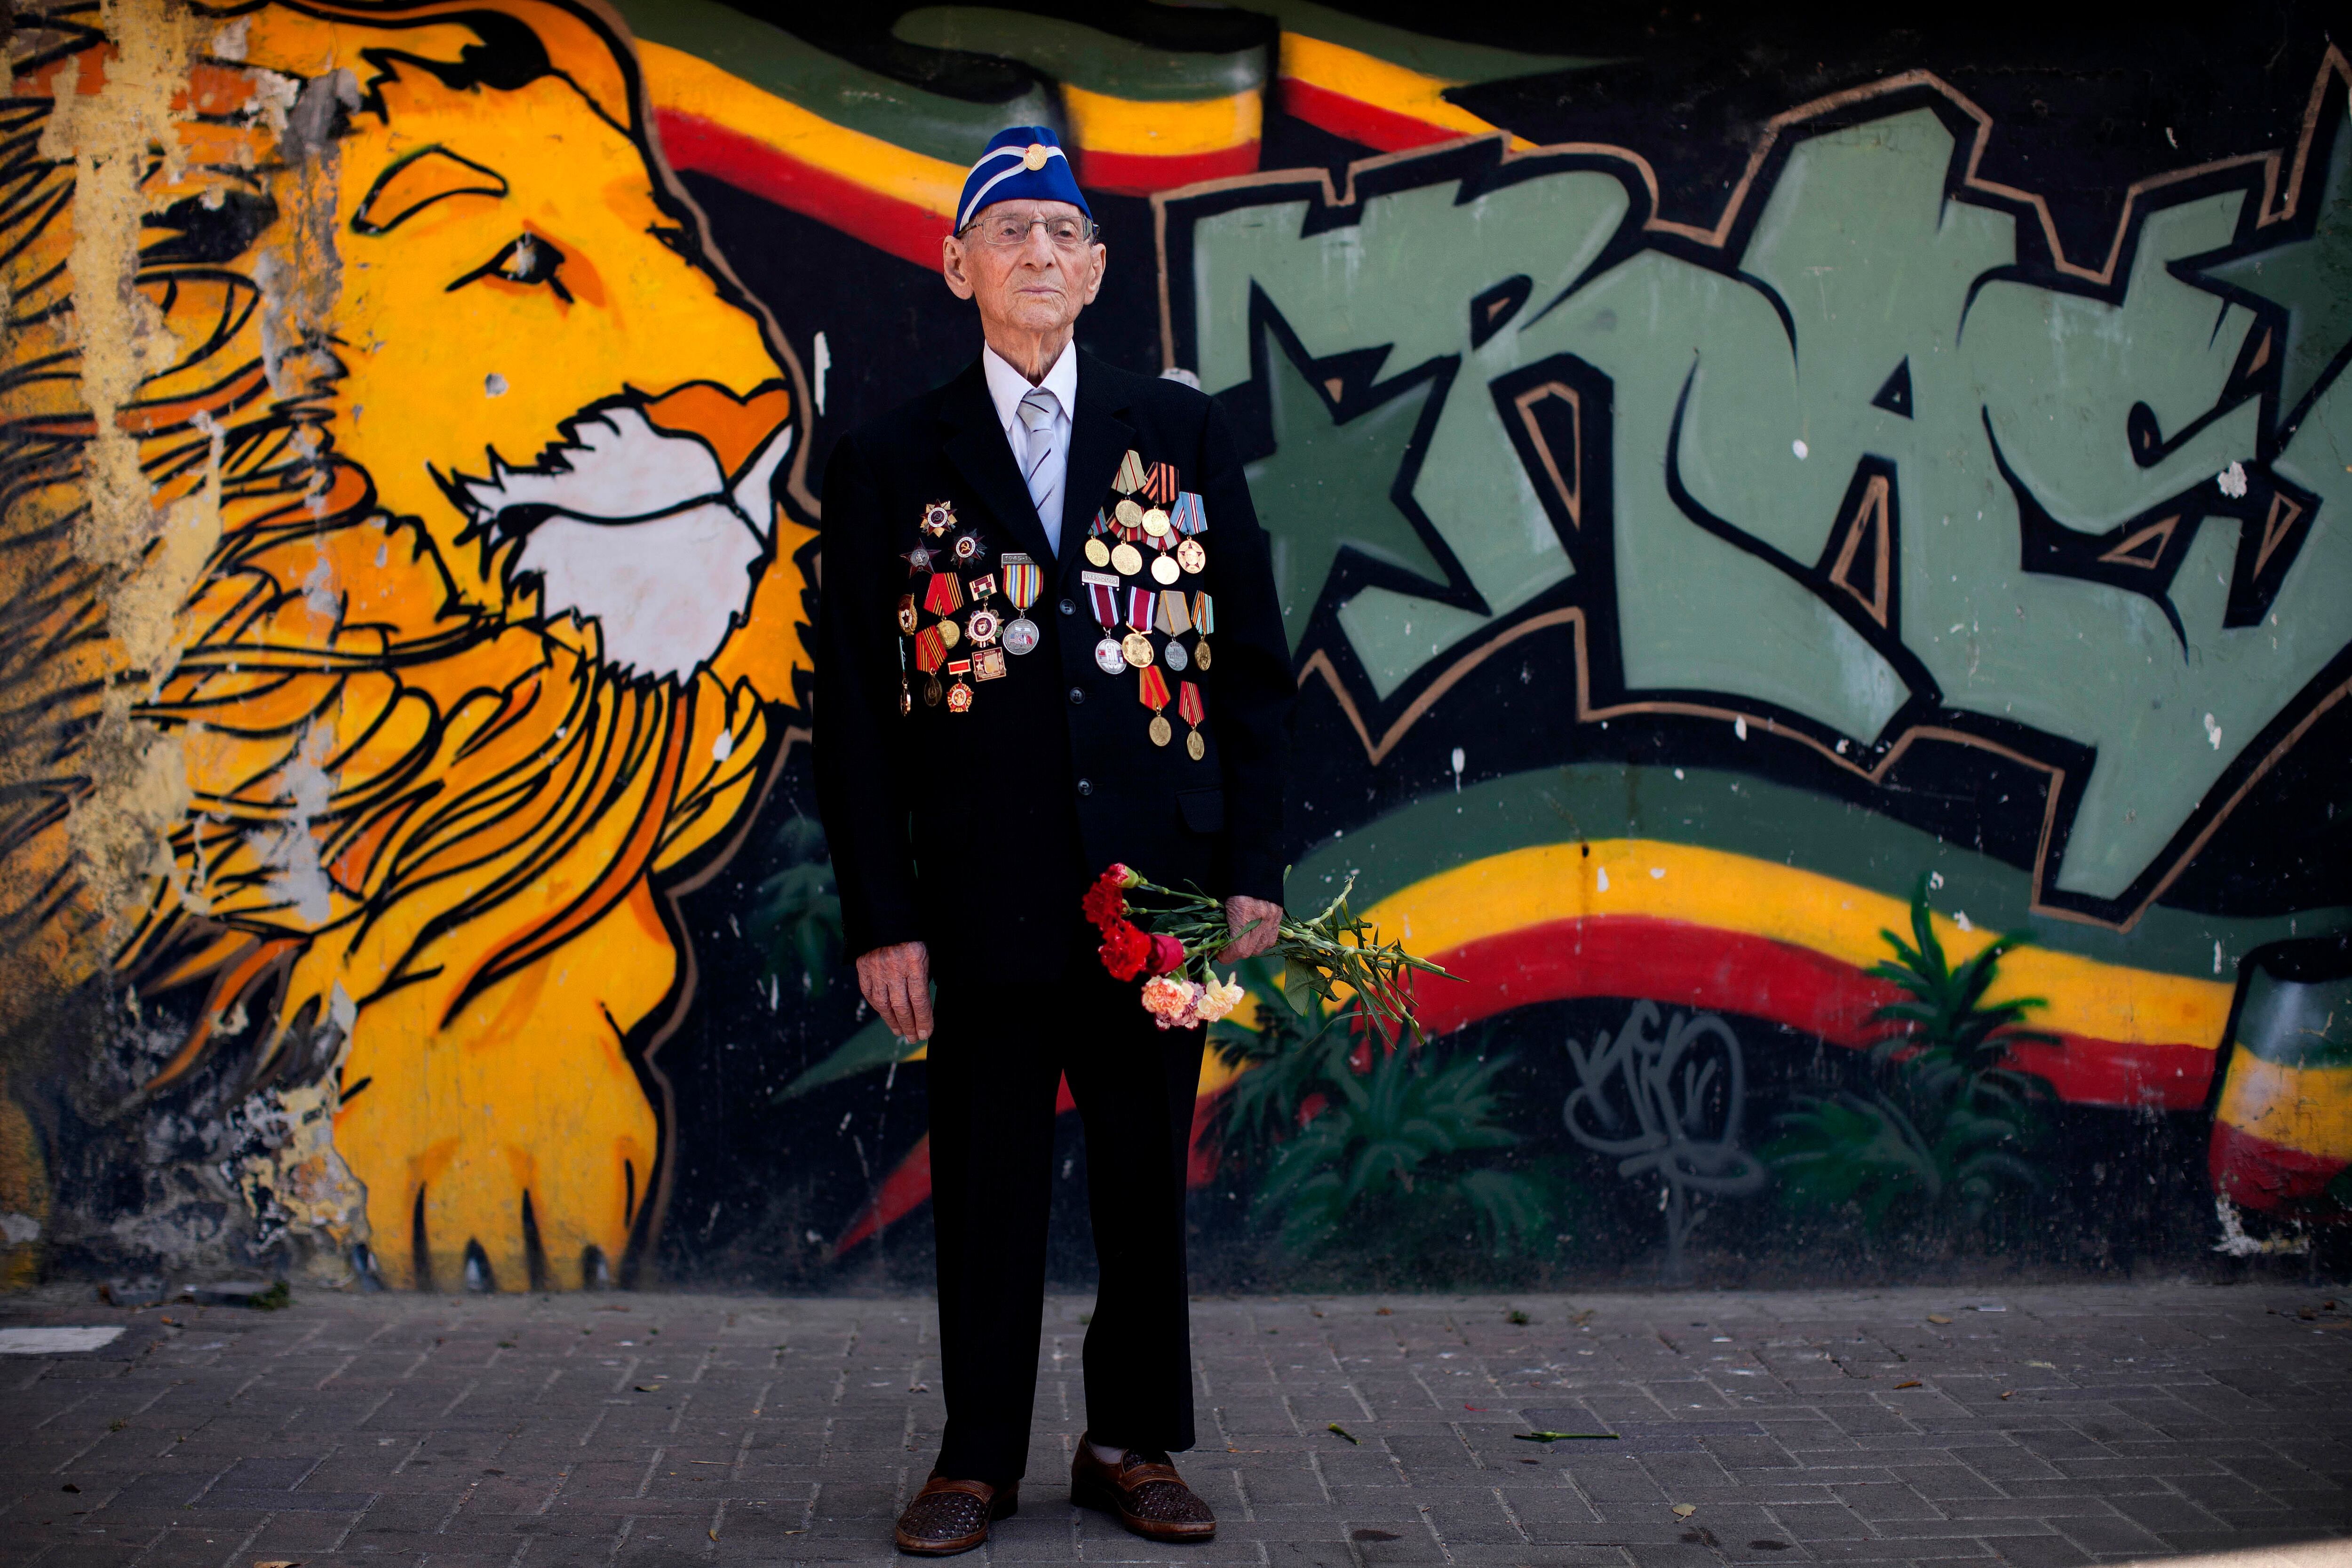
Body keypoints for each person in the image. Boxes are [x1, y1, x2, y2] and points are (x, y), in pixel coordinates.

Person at [813, 126, 1293, 1555]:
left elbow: (1247, 663)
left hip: (1159, 884)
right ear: (956, 264)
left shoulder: (1180, 433)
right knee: (989, 1172)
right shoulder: (895, 458)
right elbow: (855, 712)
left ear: (1094, 270)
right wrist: (883, 915)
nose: (1035, 253)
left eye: (1060, 234)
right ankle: (975, 1458)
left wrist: (1253, 867)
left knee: (1149, 1169)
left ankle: (1130, 1440)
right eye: (1005, 230)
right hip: (980, 890)